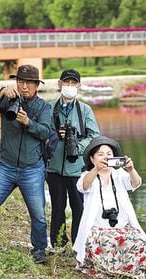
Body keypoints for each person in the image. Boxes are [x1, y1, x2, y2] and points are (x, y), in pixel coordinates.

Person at [0, 65, 53, 264]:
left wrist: (28, 122)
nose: (24, 87)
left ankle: (39, 250)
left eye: (29, 83)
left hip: (32, 169)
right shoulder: (8, 100)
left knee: (38, 214)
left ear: (36, 86)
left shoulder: (44, 107)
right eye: (21, 82)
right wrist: (0, 93)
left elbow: (46, 132)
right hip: (6, 167)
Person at [72, 136, 146, 279]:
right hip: (97, 227)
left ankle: (128, 269)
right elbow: (83, 186)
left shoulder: (119, 174)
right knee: (101, 242)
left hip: (121, 225)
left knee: (141, 241)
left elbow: (136, 183)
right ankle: (106, 270)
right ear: (92, 158)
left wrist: (131, 169)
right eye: (100, 154)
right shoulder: (88, 175)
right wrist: (96, 169)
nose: (105, 157)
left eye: (109, 154)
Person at [47, 69, 100, 248]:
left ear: (78, 85)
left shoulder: (85, 110)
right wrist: (55, 135)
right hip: (53, 167)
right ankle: (57, 244)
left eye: (73, 83)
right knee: (57, 208)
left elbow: (94, 136)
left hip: (78, 169)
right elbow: (41, 133)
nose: (69, 87)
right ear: (59, 84)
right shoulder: (49, 108)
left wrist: (78, 146)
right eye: (66, 83)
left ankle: (79, 245)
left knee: (79, 209)